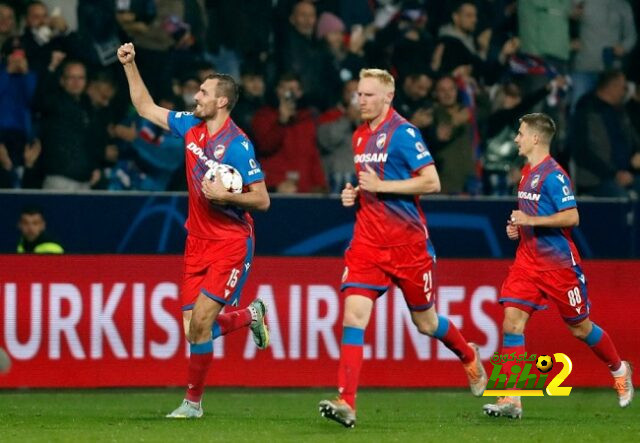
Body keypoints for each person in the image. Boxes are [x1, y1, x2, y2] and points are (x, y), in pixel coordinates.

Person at [318, 68, 487, 428]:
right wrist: (357, 193)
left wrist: (381, 185)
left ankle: (468, 354)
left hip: (408, 246)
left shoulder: (404, 133)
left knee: (425, 323)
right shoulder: (359, 137)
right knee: (353, 316)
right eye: (358, 95)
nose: (360, 100)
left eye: (367, 95)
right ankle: (346, 401)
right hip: (367, 244)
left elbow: (432, 180)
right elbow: (372, 185)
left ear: (387, 98)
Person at [117, 42, 271, 419]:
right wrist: (130, 65)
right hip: (196, 242)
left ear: (221, 102)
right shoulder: (190, 126)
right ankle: (250, 315)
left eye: (203, 92)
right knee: (193, 330)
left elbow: (263, 200)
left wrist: (226, 195)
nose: (195, 96)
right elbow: (145, 108)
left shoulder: (238, 145)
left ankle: (192, 403)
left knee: (201, 324)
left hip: (231, 243)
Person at [482, 113, 633, 419]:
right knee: (512, 321)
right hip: (527, 262)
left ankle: (619, 369)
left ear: (536, 138)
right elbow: (531, 217)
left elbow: (572, 217)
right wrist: (519, 228)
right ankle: (511, 398)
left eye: (520, 133)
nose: (516, 138)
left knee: (580, 328)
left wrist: (531, 221)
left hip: (558, 266)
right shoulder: (526, 172)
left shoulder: (554, 175)